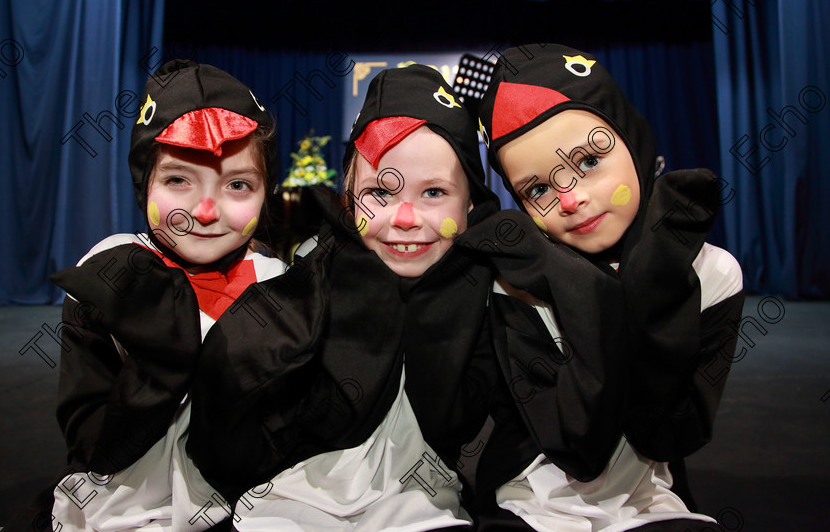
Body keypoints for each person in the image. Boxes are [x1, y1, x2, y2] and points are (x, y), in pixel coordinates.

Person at [187, 64, 501, 531]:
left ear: (470, 204)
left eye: (433, 192)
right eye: (379, 193)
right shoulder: (306, 289)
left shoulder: (493, 296)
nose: (406, 217)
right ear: (350, 201)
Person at [458, 43, 745, 531]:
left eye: (589, 161)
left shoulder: (711, 274)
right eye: (539, 190)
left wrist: (655, 283)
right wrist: (579, 290)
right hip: (527, 501)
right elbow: (577, 447)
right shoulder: (514, 282)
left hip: (648, 501)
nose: (570, 199)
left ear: (631, 138)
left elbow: (670, 434)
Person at [6, 60, 286, 532]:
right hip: (118, 508)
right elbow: (88, 440)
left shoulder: (275, 281)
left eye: (237, 184)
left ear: (265, 193)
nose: (204, 210)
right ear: (145, 184)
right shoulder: (112, 272)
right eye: (178, 179)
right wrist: (158, 370)